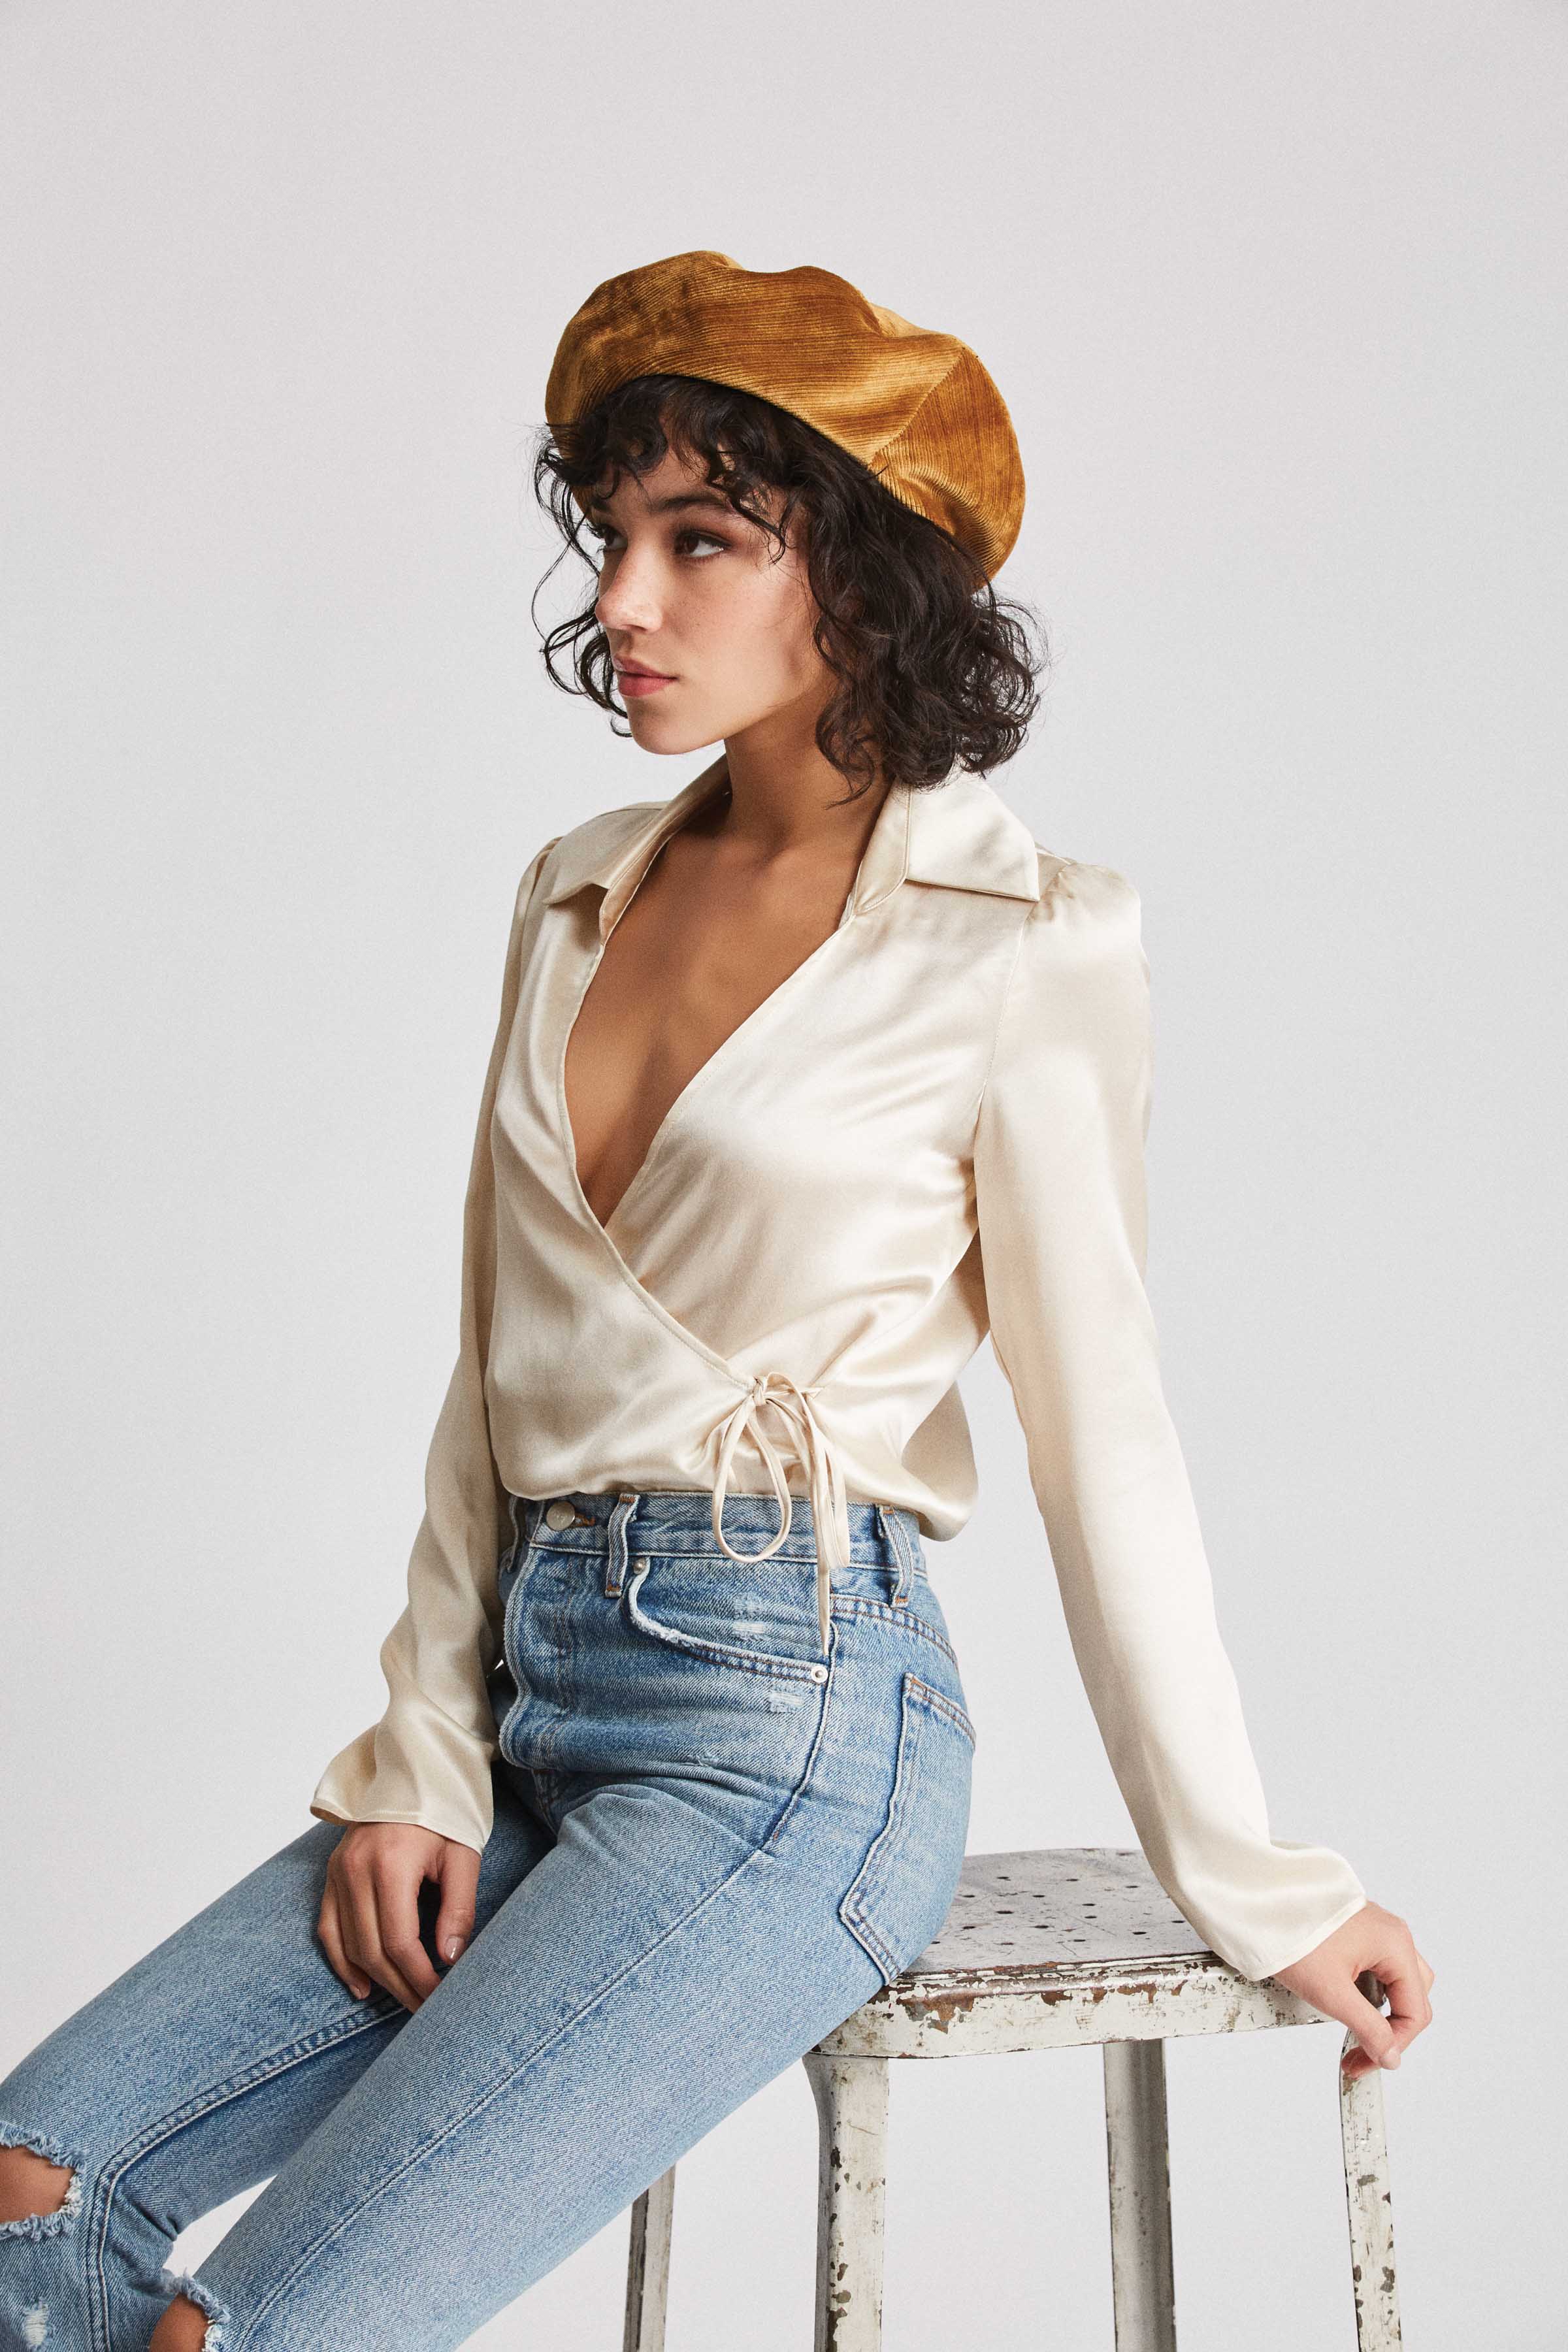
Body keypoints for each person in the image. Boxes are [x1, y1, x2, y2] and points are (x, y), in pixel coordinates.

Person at [1, 251, 1433, 2350]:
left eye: (702, 541)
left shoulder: (1022, 941)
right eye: (612, 538)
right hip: (529, 1696)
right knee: (35, 2185)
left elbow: (1104, 1433)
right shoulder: (577, 891)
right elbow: (494, 1369)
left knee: (262, 2332)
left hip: (795, 1732)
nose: (622, 601)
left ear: (860, 564)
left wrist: (1252, 1876)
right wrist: (418, 1755)